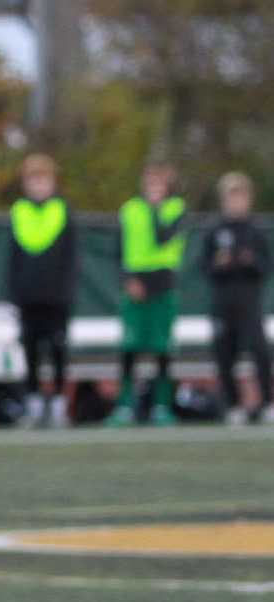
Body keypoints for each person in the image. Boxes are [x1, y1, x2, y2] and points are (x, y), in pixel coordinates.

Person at [108, 163, 186, 427]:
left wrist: (155, 210)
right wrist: (127, 281)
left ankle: (161, 405)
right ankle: (124, 406)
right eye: (150, 182)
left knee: (162, 348)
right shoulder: (129, 210)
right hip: (134, 286)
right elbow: (118, 251)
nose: (154, 188)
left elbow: (163, 238)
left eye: (159, 183)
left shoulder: (175, 210)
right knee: (129, 347)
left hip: (163, 287)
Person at [8, 154, 78, 428]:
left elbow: (71, 258)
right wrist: (14, 293)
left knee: (58, 349)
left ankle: (59, 403)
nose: (38, 185)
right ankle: (34, 403)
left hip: (57, 297)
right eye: (32, 179)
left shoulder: (62, 211)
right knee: (31, 351)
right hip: (28, 297)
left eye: (43, 179)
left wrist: (66, 291)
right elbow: (13, 258)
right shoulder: (19, 212)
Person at [201, 171, 272, 424]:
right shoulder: (214, 230)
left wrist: (251, 262)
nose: (236, 202)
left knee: (260, 352)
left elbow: (266, 267)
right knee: (224, 355)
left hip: (249, 303)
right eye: (231, 197)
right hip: (222, 303)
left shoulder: (255, 231)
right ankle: (232, 405)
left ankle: (265, 404)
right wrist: (220, 264)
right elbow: (204, 268)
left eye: (240, 196)